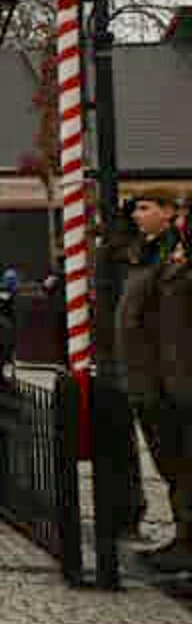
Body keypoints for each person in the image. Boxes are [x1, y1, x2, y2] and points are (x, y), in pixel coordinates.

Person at [116, 191, 191, 572]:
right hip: (147, 377)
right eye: (136, 209)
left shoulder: (172, 256)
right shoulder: (143, 255)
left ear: (169, 212)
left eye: (146, 208)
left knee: (183, 465)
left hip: (170, 379)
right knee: (170, 464)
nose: (137, 215)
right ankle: (183, 538)